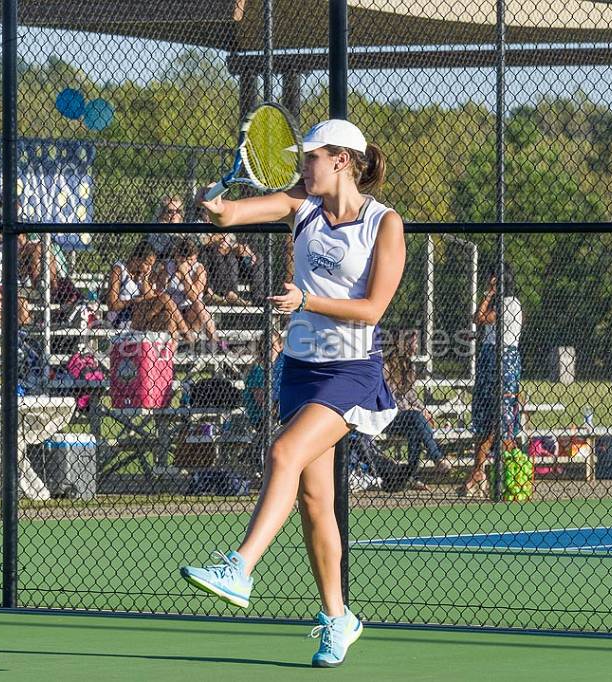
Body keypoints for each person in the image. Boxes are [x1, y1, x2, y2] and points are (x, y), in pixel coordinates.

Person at [179, 119, 404, 667]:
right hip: (300, 369)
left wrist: (306, 301)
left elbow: (373, 310)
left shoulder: (384, 224)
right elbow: (233, 214)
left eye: (311, 157)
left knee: (283, 451)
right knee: (314, 503)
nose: (303, 166)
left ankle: (240, 567)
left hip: (351, 371)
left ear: (342, 161)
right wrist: (213, 205)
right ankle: (337, 618)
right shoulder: (302, 205)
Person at [462, 263, 523, 499]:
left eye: (493, 280)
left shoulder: (511, 304)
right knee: (487, 417)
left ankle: (510, 471)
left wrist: (489, 294)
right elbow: (486, 326)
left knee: (503, 418)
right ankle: (478, 472)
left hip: (504, 360)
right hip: (489, 357)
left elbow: (479, 316)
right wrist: (477, 336)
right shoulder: (500, 305)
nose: (489, 284)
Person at [383, 328, 449, 481]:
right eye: (414, 343)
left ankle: (412, 476)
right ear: (403, 344)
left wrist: (422, 409)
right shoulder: (385, 367)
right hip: (389, 417)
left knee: (415, 430)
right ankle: (437, 458)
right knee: (415, 418)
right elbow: (388, 397)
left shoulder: (408, 366)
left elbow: (411, 395)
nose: (417, 346)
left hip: (407, 418)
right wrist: (412, 410)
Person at [104, 241, 193, 342]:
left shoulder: (141, 275)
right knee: (165, 298)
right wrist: (135, 301)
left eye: (151, 265)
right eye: (147, 264)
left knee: (168, 316)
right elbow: (112, 304)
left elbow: (149, 297)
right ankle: (188, 336)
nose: (148, 269)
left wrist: (145, 279)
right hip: (121, 318)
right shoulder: (119, 270)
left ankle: (170, 353)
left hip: (140, 317)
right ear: (136, 258)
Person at [158, 237, 222, 347]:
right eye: (183, 259)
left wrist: (185, 276)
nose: (187, 262)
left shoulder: (199, 269)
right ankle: (185, 343)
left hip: (190, 313)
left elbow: (194, 296)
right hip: (170, 311)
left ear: (195, 257)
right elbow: (159, 289)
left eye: (190, 259)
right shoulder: (166, 265)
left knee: (199, 305)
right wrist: (166, 277)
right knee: (168, 312)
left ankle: (215, 342)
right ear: (176, 255)